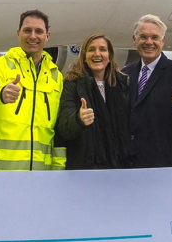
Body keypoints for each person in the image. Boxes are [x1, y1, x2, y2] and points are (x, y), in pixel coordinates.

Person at [0, 10, 66, 171]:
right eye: (27, 30)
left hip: (41, 175)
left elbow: (57, 130)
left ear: (47, 35)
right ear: (18, 33)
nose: (33, 36)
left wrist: (58, 170)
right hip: (2, 173)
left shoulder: (56, 76)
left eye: (39, 31)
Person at [123, 14, 172, 167]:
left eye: (155, 37)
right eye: (143, 37)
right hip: (131, 164)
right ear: (134, 39)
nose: (149, 42)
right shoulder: (125, 73)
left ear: (163, 41)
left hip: (167, 164)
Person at [55, 34, 135, 169]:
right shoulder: (71, 85)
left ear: (109, 57)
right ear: (84, 57)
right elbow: (64, 128)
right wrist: (78, 120)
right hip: (85, 166)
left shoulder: (123, 85)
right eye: (91, 49)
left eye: (103, 49)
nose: (97, 54)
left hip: (120, 165)